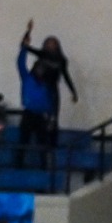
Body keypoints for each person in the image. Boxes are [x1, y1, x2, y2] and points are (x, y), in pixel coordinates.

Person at [16, 20, 77, 153]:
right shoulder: (42, 55)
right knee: (41, 120)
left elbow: (66, 76)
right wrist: (28, 31)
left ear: (57, 46)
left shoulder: (62, 60)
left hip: (52, 90)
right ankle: (42, 146)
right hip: (40, 88)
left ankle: (52, 146)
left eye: (53, 43)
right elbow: (24, 47)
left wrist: (73, 91)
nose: (50, 46)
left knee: (54, 118)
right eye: (48, 43)